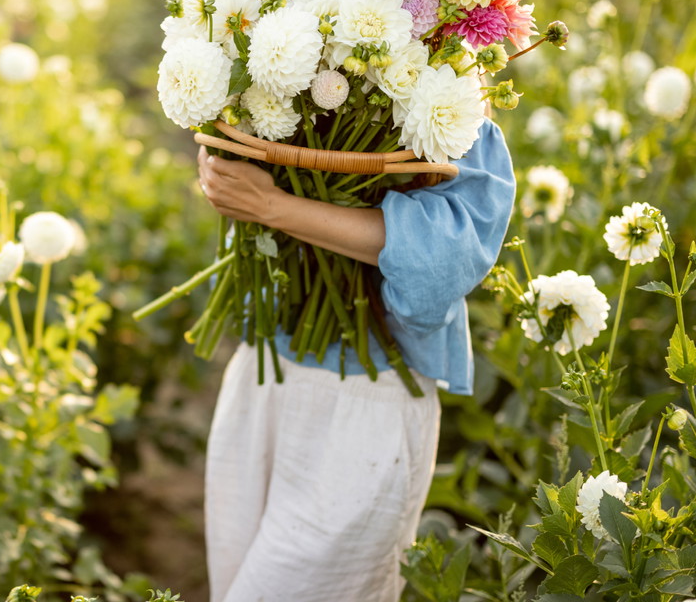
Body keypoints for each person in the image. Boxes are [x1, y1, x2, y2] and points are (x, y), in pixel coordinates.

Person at [196, 114, 515, 602]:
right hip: (260, 371)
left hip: (368, 399)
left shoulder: (458, 111)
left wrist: (272, 206)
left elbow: (442, 260)